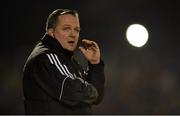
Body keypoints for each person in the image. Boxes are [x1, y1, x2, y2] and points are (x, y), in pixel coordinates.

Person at [22, 9, 105, 114]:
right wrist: (92, 91)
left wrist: (95, 64)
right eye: (66, 29)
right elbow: (74, 92)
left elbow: (96, 98)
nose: (73, 34)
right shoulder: (46, 57)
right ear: (51, 32)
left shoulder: (67, 59)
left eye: (77, 30)